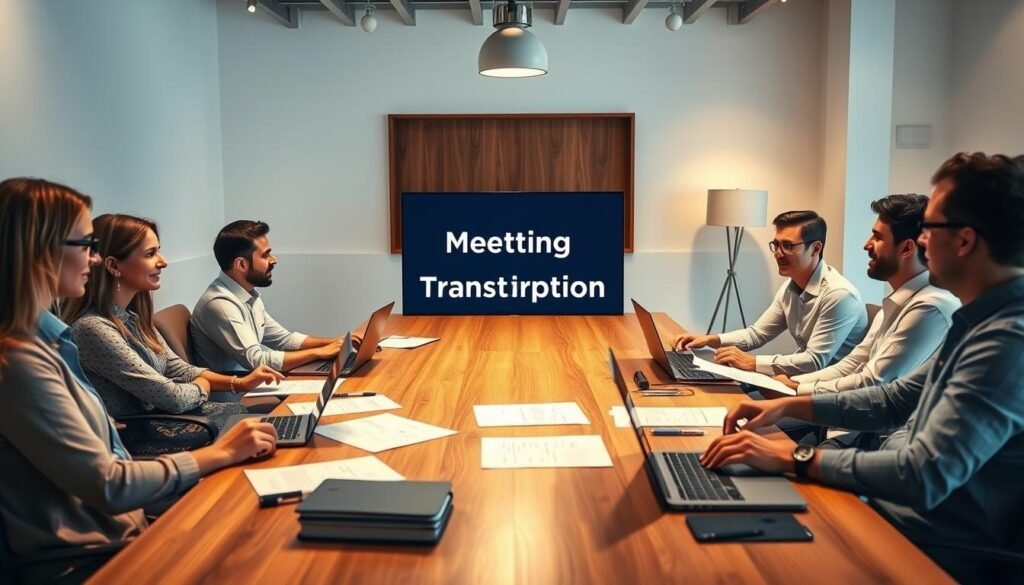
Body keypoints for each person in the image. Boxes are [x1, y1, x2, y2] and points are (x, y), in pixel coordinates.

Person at [700, 153, 1024, 582]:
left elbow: (923, 473)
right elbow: (894, 399)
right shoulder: (978, 320)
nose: (921, 241)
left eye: (929, 227)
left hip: (936, 548)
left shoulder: (1006, 341)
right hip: (900, 514)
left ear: (964, 241)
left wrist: (793, 456)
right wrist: (787, 408)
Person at [0, 178, 278, 583]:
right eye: (86, 246)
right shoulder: (23, 360)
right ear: (40, 252)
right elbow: (107, 483)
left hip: (123, 533)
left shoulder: (52, 341)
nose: (94, 259)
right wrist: (220, 454)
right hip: (90, 559)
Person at [62, 214, 284, 455]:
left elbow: (178, 369)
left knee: (276, 424)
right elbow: (172, 397)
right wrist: (203, 386)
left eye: (159, 251)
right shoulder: (93, 328)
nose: (163, 261)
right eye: (150, 254)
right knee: (266, 433)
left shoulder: (134, 318)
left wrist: (238, 383)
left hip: (173, 419)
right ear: (114, 266)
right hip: (147, 435)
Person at [770, 195, 959, 396]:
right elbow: (853, 363)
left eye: (877, 237)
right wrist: (791, 383)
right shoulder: (897, 302)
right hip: (858, 415)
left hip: (889, 426)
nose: (866, 245)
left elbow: (874, 382)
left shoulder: (930, 307)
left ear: (906, 249)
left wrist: (799, 389)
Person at [674, 210, 869, 376]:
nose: (777, 253)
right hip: (799, 381)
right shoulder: (790, 287)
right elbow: (756, 335)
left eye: (788, 246)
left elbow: (814, 361)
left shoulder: (839, 295)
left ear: (816, 248)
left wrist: (753, 363)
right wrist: (710, 340)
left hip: (827, 394)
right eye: (776, 245)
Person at [190, 220, 359, 374]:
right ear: (241, 264)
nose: (274, 260)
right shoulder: (220, 305)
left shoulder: (248, 294)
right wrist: (317, 353)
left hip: (258, 387)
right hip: (236, 401)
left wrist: (336, 342)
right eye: (265, 255)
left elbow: (284, 340)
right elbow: (256, 361)